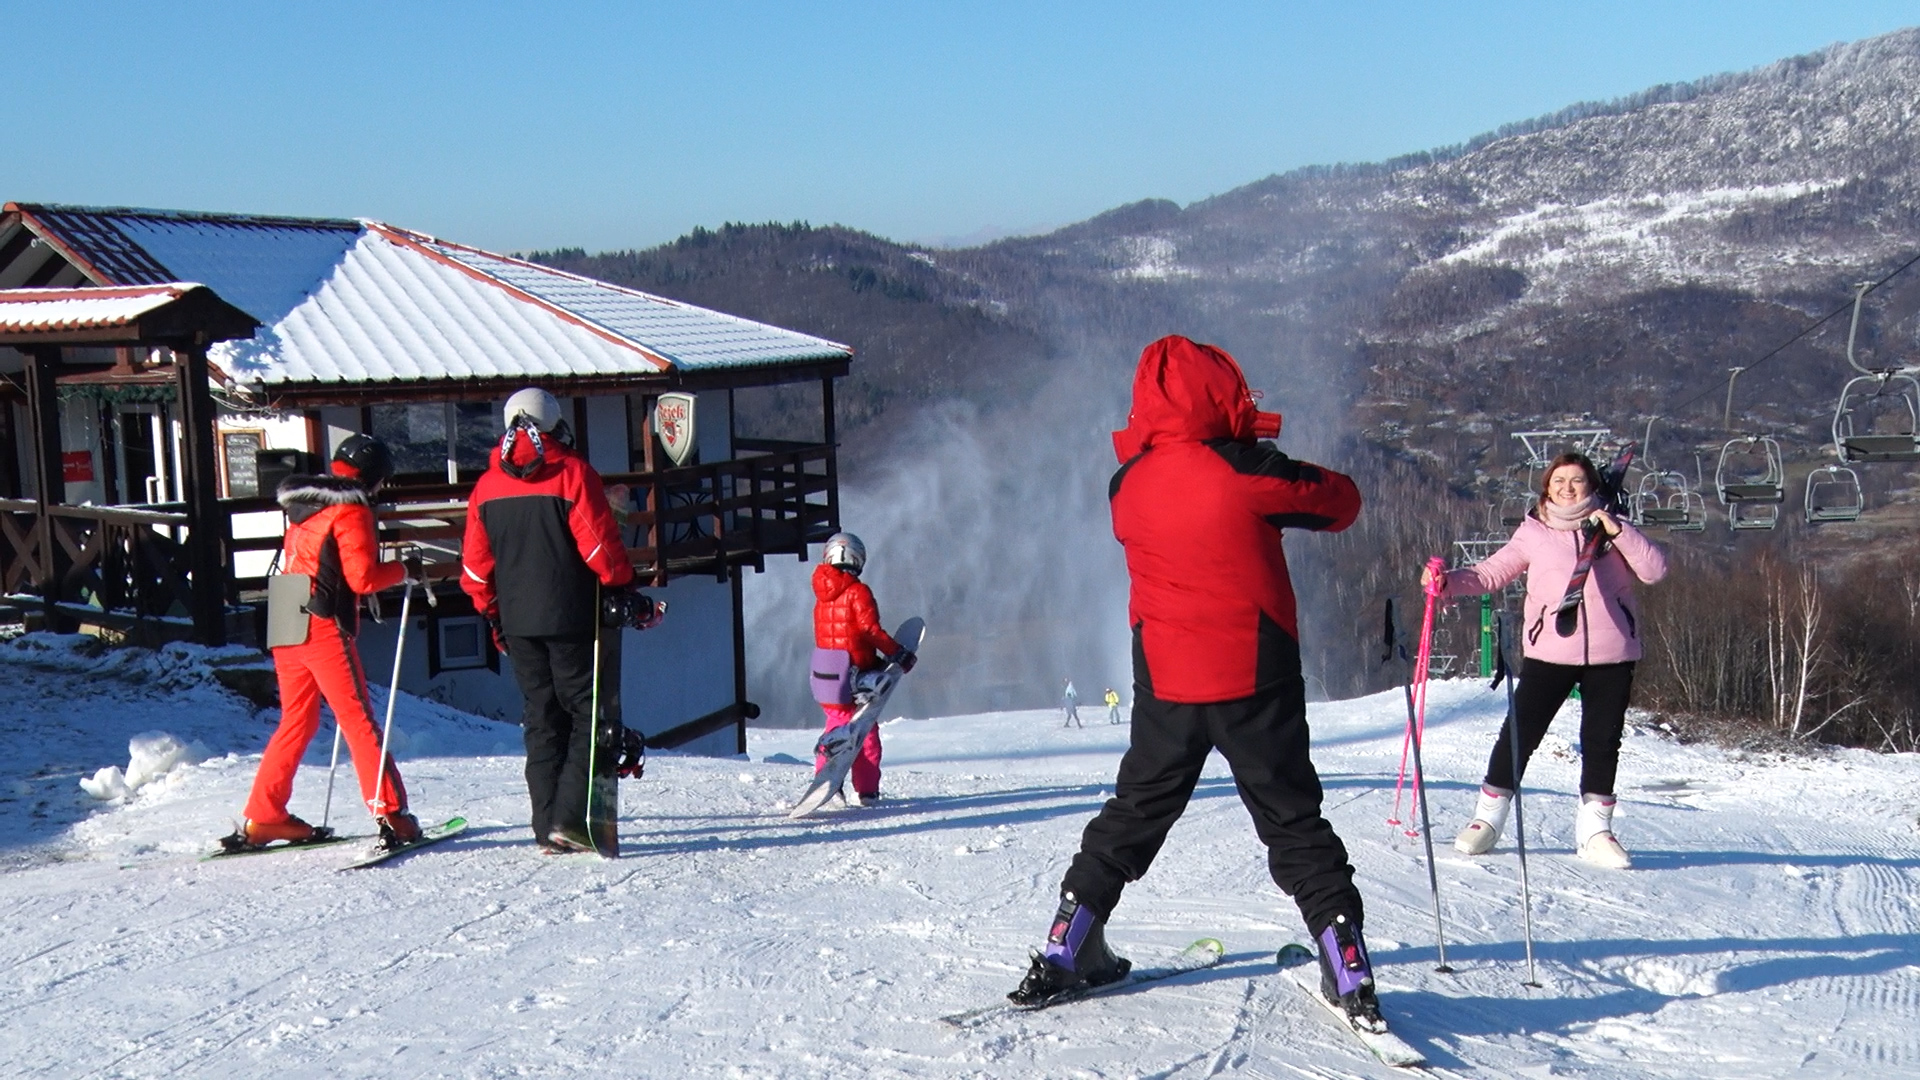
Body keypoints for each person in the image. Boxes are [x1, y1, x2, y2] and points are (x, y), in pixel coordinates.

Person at [1010, 335, 1379, 1028]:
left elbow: (1182, 487)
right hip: (1256, 678)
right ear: (1225, 396)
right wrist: (1263, 448)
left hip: (1168, 687)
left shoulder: (1127, 485)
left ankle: (1068, 942)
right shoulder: (1245, 470)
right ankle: (1346, 961)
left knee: (1135, 811)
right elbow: (1340, 503)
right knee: (1292, 820)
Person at [1427, 451, 1667, 869]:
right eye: (1559, 482)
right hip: (1550, 650)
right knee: (1520, 733)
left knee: (1602, 739)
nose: (1567, 488)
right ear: (1547, 489)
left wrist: (1617, 529)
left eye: (1576, 481)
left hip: (1612, 653)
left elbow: (1655, 571)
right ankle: (1487, 819)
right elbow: (1490, 574)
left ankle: (1595, 830)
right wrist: (1447, 583)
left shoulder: (1614, 529)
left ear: (1591, 486)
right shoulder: (1534, 533)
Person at [461, 388, 656, 852]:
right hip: (571, 615)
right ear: (555, 424)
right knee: (587, 715)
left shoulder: (487, 487)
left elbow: (473, 568)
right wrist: (623, 584)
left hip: (516, 621)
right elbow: (600, 550)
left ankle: (544, 825)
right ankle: (570, 820)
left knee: (542, 720)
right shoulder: (571, 474)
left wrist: (493, 612)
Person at [230, 434, 423, 851]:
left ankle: (265, 815)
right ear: (374, 478)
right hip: (321, 620)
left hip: (286, 610)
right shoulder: (350, 509)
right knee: (357, 718)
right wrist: (404, 569)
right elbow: (363, 579)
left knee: (296, 721)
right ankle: (391, 813)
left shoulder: (304, 504)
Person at [809, 531, 913, 804]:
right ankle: (867, 791)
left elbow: (834, 635)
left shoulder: (821, 595)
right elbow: (869, 630)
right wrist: (896, 654)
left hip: (825, 674)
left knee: (836, 726)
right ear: (857, 558)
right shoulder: (858, 591)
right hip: (854, 675)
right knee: (864, 733)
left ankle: (826, 782)